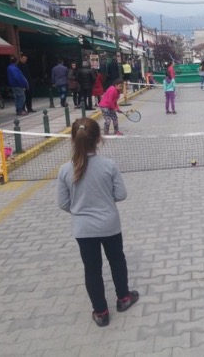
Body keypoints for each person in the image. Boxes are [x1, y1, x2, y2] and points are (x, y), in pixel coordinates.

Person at [56, 117, 138, 328]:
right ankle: (124, 298)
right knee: (117, 261)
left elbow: (63, 203)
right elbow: (121, 194)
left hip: (83, 230)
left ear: (73, 140)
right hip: (110, 225)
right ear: (98, 139)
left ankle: (101, 312)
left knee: (92, 269)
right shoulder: (109, 165)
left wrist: (80, 211)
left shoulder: (65, 170)